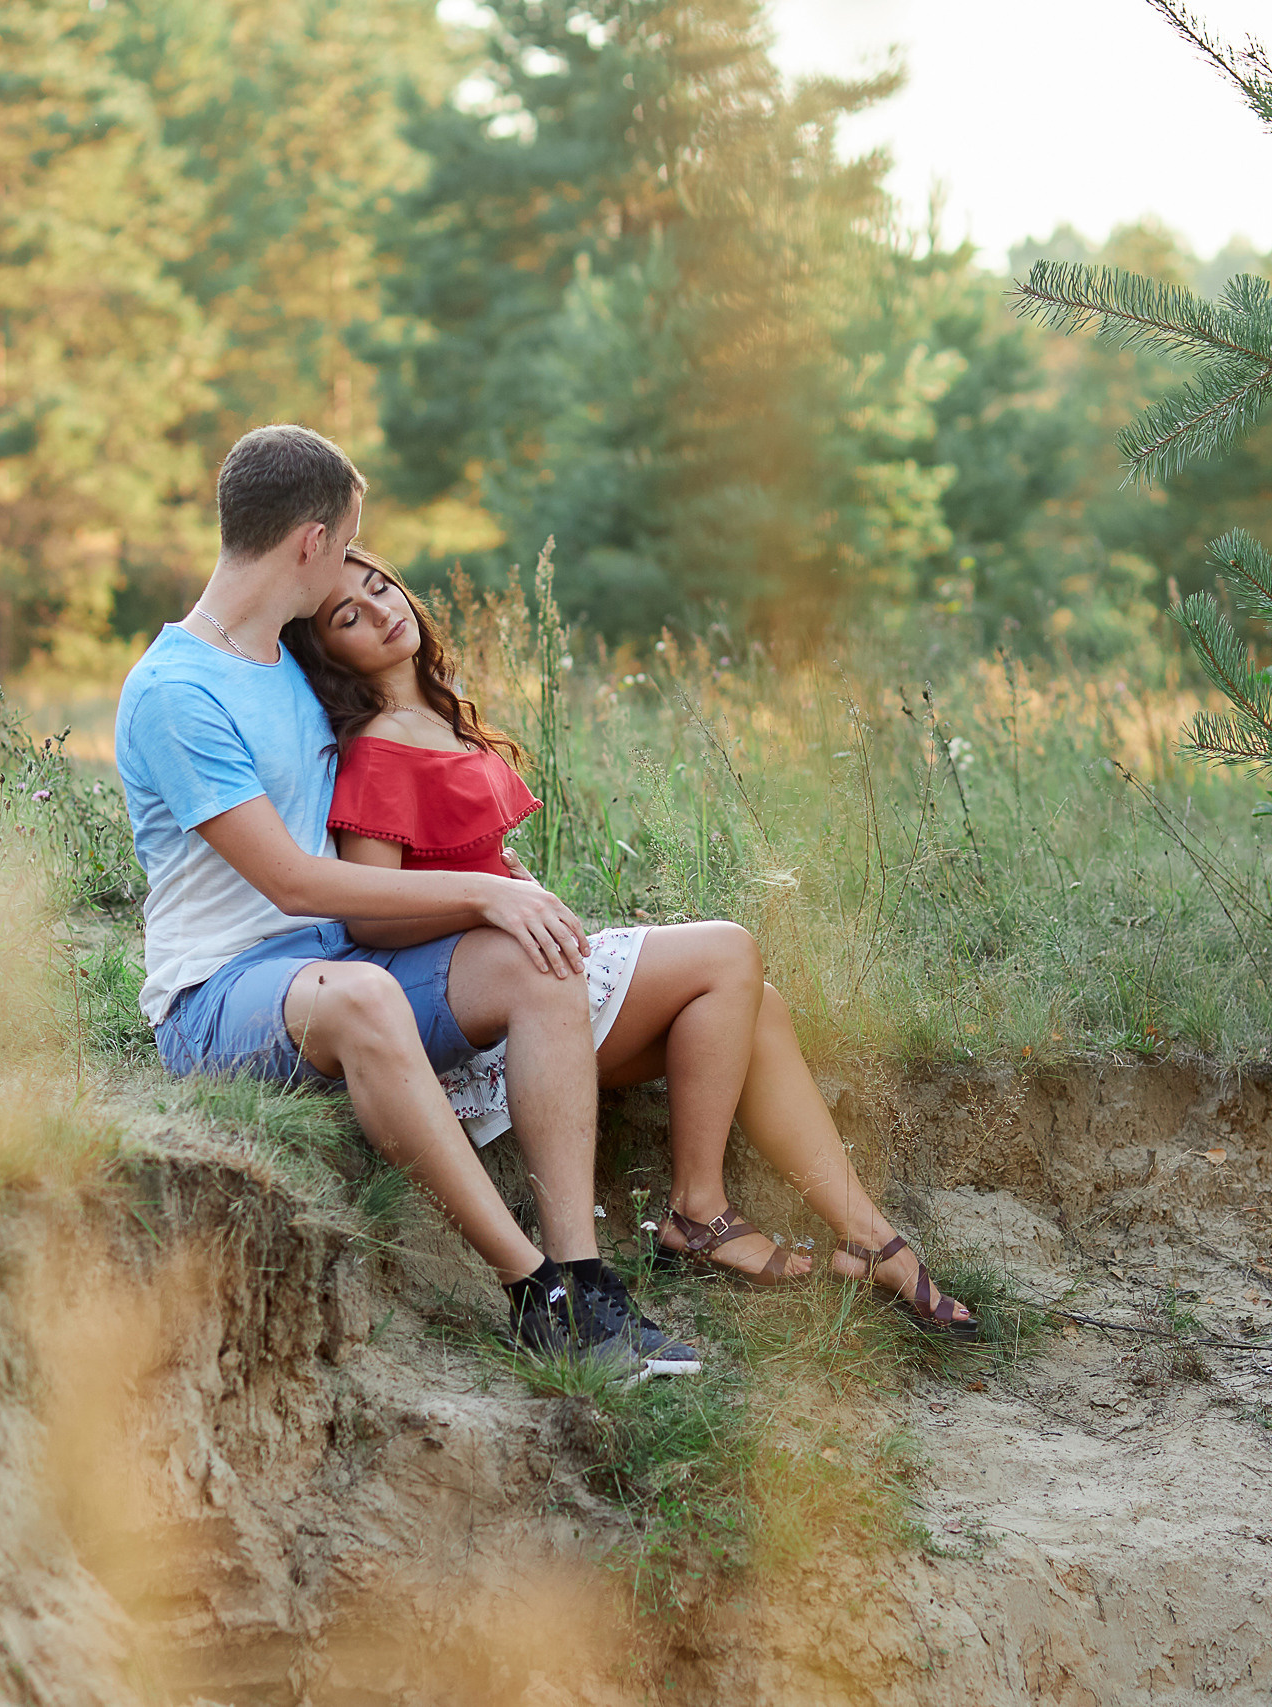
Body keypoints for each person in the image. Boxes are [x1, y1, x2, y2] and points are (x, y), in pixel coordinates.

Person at [279, 545, 980, 1339]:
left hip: (527, 985)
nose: (381, 610)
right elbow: (370, 918)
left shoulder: (435, 714)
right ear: (328, 654)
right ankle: (698, 1210)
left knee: (758, 1007)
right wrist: (496, 904)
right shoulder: (379, 745)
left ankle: (870, 1238)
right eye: (350, 616)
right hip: (482, 1021)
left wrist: (512, 888)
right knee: (727, 951)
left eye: (381, 587)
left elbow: (466, 856)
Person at [115, 425, 699, 1373]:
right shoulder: (175, 692)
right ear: (311, 542)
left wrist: (503, 888)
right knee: (367, 996)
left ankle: (585, 1278)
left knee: (542, 961)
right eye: (347, 542)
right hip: (219, 996)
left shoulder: (292, 664)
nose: (355, 563)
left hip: (339, 958)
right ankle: (534, 1293)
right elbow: (290, 880)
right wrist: (480, 892)